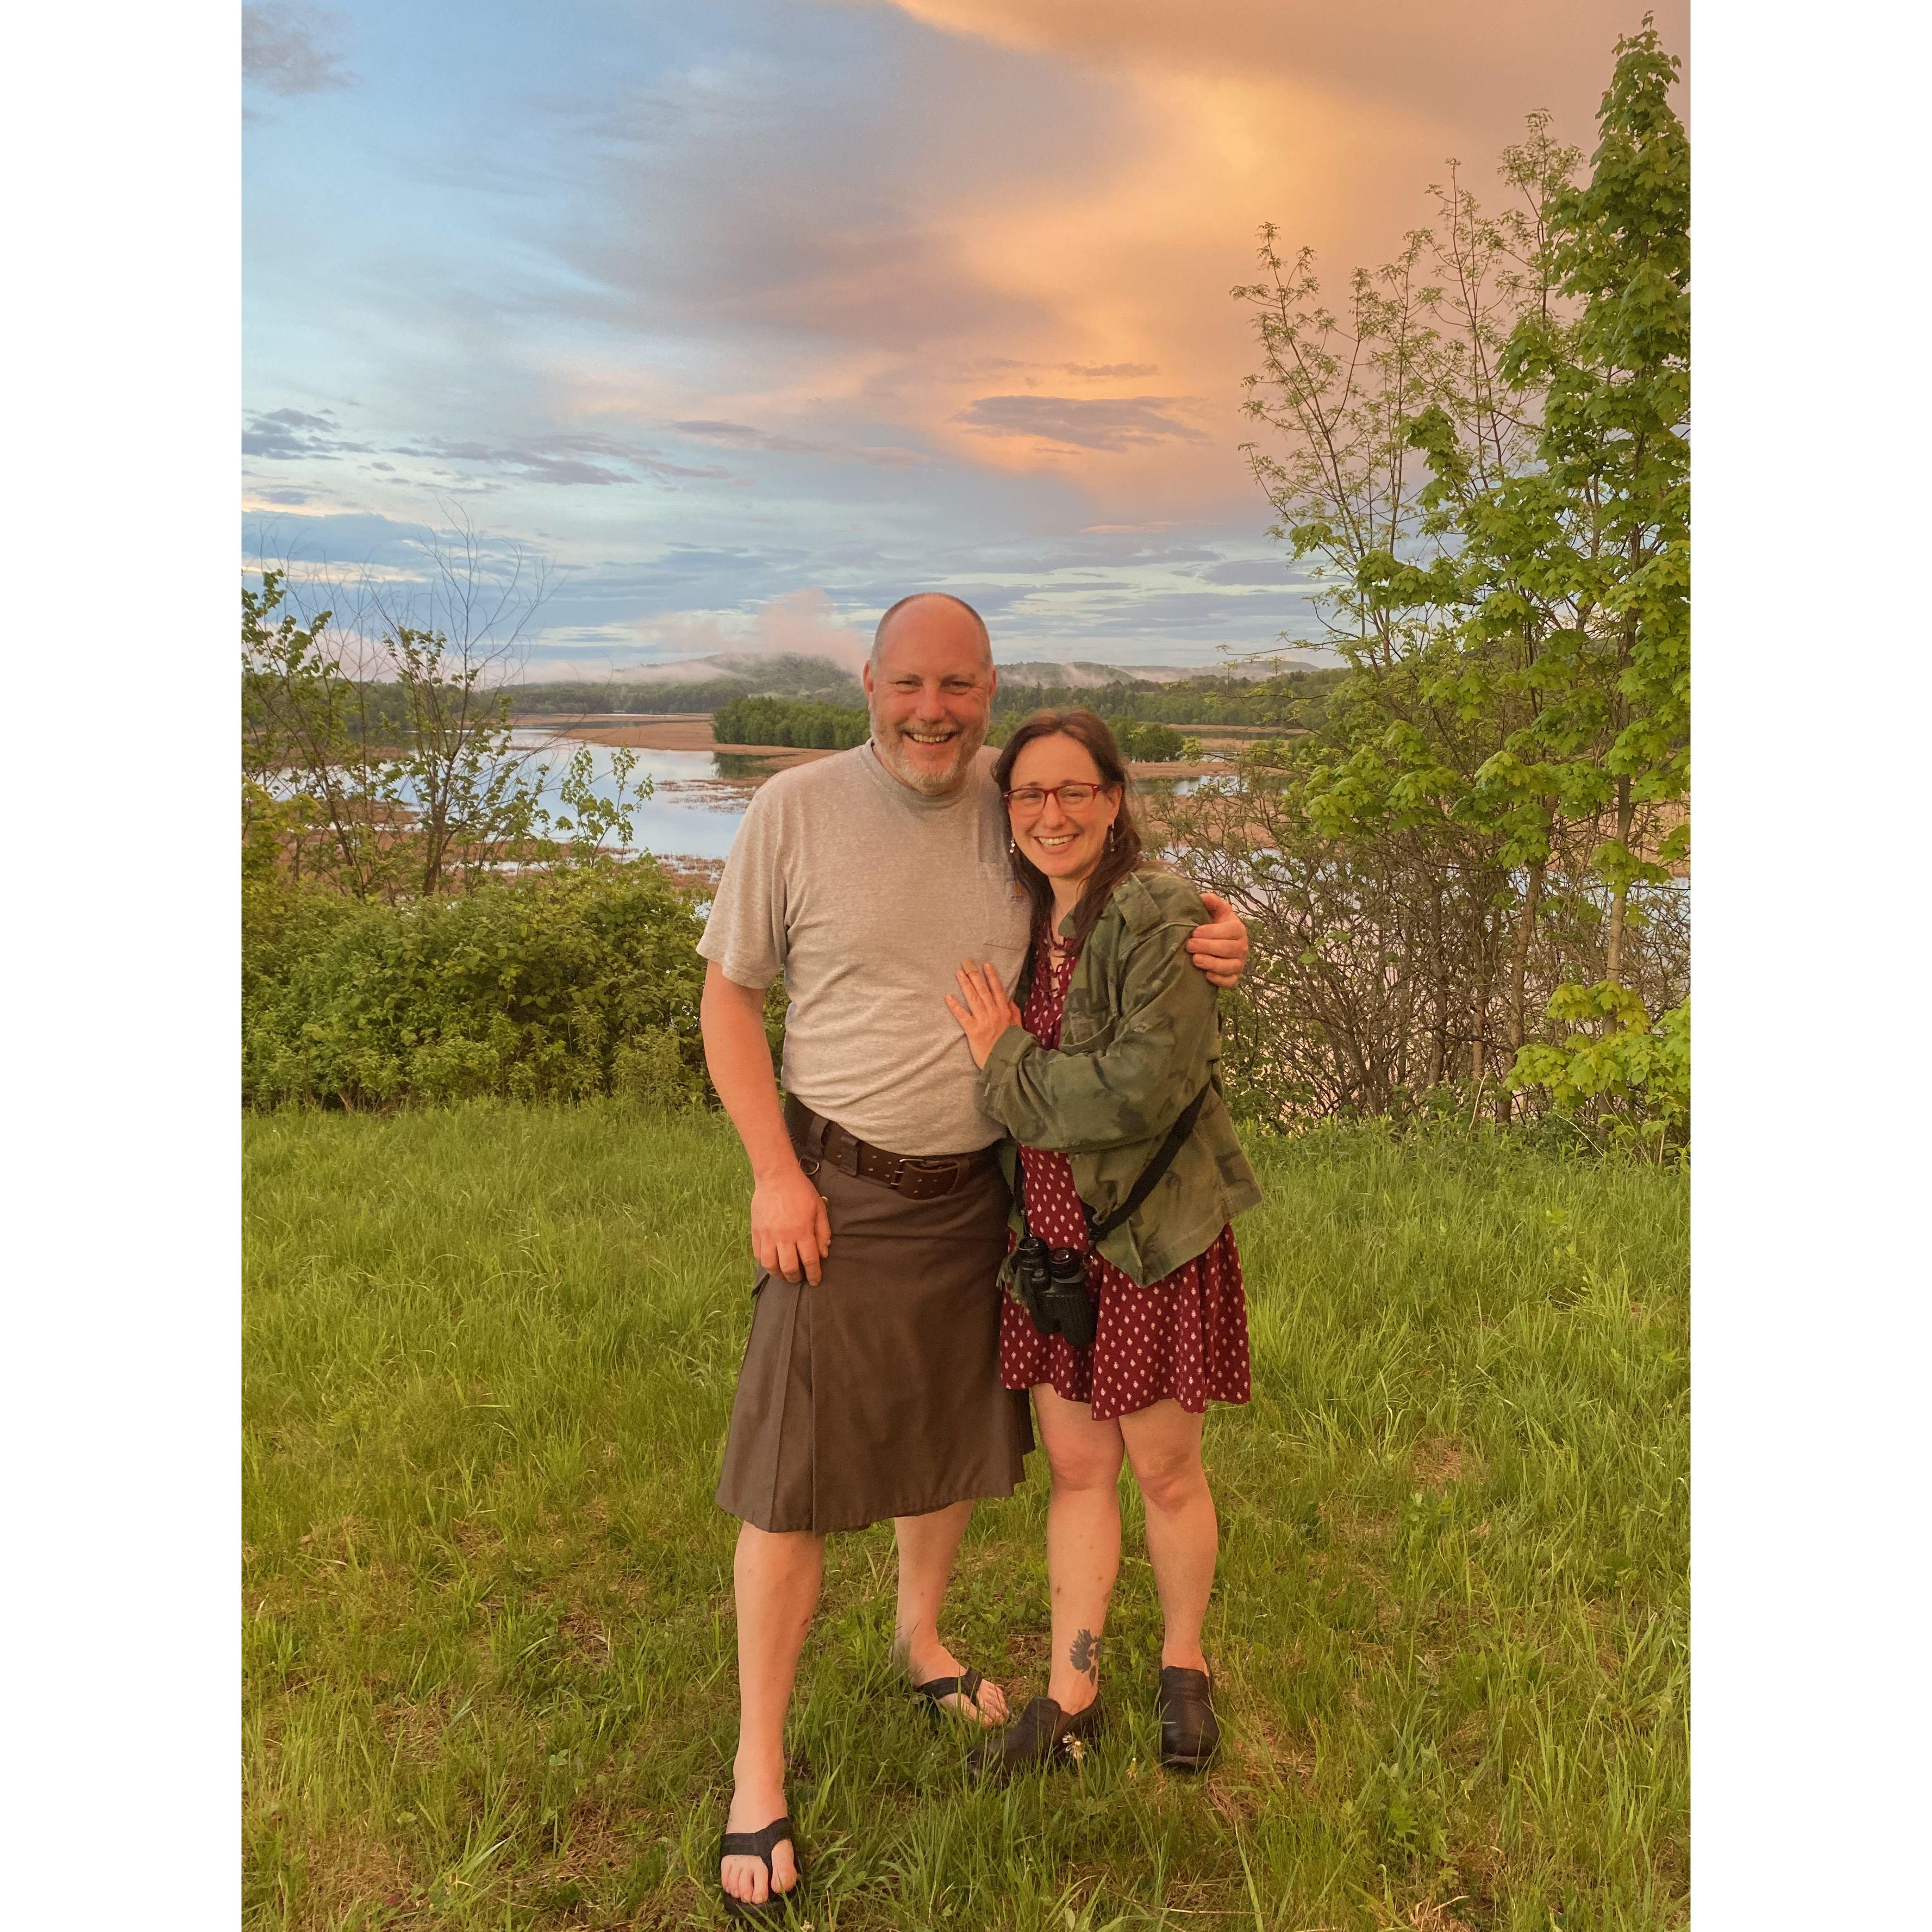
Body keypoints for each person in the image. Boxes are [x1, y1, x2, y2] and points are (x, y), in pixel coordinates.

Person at [697, 596, 1251, 1919]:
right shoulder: (797, 811)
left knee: (944, 1441)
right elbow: (729, 997)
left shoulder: (1019, 799)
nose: (934, 710)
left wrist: (1224, 933)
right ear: (869, 683)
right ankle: (756, 1768)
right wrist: (775, 1170)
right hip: (837, 1185)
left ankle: (924, 1641)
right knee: (789, 1482)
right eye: (911, 685)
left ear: (990, 689)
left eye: (959, 686)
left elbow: (1130, 885)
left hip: (990, 1202)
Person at [944, 708, 1262, 1782]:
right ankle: (1070, 1690)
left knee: (1166, 1472)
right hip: (1054, 1253)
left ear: (1114, 800)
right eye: (1029, 795)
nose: (1051, 813)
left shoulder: (1160, 913)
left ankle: (1185, 1667)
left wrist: (1002, 1060)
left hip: (1147, 1247)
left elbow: (1137, 1090)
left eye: (1074, 790)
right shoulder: (1025, 919)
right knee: (1078, 1470)